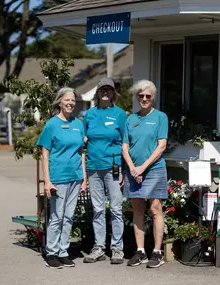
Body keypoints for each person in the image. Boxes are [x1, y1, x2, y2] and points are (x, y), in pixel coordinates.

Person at [37, 87, 87, 269]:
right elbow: (45, 154)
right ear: (59, 102)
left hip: (75, 177)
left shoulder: (78, 124)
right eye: (67, 100)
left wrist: (84, 178)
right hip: (58, 177)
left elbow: (81, 152)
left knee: (69, 216)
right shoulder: (51, 125)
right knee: (57, 216)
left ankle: (63, 251)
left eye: (73, 100)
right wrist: (47, 181)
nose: (70, 103)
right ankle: (51, 252)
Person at [122, 80, 168, 269]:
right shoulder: (131, 119)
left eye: (148, 96)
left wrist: (142, 168)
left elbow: (162, 146)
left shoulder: (160, 117)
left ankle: (157, 252)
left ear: (153, 97)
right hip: (133, 171)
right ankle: (140, 251)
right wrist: (133, 168)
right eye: (141, 96)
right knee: (138, 209)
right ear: (137, 97)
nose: (144, 99)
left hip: (155, 169)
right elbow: (125, 147)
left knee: (155, 208)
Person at [83, 78, 127, 264]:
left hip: (114, 167)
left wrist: (123, 169)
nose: (105, 92)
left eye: (109, 89)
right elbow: (83, 140)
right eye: (102, 89)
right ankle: (99, 247)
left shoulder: (119, 114)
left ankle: (117, 248)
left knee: (116, 208)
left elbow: (125, 143)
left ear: (113, 93)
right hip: (93, 168)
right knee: (98, 209)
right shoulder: (89, 115)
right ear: (97, 93)